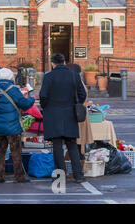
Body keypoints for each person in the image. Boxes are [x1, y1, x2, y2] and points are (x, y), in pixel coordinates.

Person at [39, 54, 87, 183]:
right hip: (70, 113)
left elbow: (43, 95)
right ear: (64, 62)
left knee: (57, 146)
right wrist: (76, 103)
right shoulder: (74, 75)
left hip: (53, 114)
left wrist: (46, 107)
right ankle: (78, 175)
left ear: (53, 63)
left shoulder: (48, 76)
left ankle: (61, 175)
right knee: (72, 145)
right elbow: (82, 94)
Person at [0, 68, 35, 183]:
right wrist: (31, 98)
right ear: (11, 77)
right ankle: (18, 177)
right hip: (12, 127)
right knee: (16, 152)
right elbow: (25, 104)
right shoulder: (12, 89)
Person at [66, 62, 93, 158]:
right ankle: (79, 163)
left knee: (77, 144)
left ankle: (78, 166)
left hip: (76, 115)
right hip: (81, 114)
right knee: (79, 144)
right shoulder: (79, 82)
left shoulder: (75, 83)